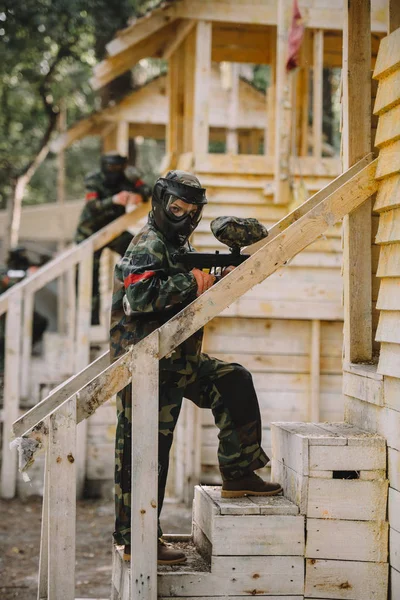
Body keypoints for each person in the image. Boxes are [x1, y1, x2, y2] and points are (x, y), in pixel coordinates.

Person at [109, 170, 282, 565]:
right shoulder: (147, 245)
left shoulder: (176, 243)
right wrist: (194, 282)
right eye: (178, 208)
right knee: (144, 453)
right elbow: (138, 298)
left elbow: (187, 282)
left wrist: (217, 277)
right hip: (146, 365)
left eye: (191, 212)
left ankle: (239, 473)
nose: (185, 217)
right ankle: (138, 539)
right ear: (160, 202)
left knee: (233, 381)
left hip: (178, 360)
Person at [75, 152, 152, 324]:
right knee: (88, 279)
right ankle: (90, 322)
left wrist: (139, 195)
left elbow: (148, 190)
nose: (114, 171)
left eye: (118, 167)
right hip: (90, 233)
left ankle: (139, 305)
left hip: (114, 231)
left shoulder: (128, 177)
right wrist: (114, 200)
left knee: (139, 254)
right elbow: (92, 206)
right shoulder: (94, 179)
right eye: (111, 167)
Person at [0, 247, 48, 372]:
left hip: (16, 318)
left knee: (39, 322)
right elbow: (8, 281)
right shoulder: (5, 273)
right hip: (5, 322)